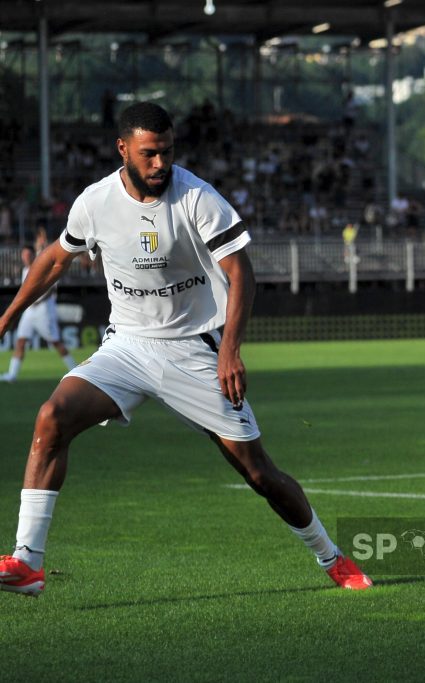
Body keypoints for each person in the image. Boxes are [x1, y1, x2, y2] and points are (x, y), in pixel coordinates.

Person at [0, 102, 372, 597]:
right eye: (150, 154)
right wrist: (11, 313)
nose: (160, 164)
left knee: (258, 472)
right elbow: (55, 258)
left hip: (195, 350)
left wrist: (230, 350)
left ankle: (331, 556)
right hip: (128, 347)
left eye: (168, 152)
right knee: (52, 417)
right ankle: (29, 563)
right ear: (123, 149)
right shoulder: (95, 202)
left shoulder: (198, 197)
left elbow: (242, 273)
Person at [1, 244, 78, 382]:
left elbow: (51, 289)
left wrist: (36, 300)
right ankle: (12, 375)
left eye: (28, 254)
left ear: (33, 255)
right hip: (29, 311)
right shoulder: (25, 270)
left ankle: (76, 372)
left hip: (44, 310)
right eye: (23, 255)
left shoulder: (43, 267)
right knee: (20, 341)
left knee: (55, 342)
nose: (25, 257)